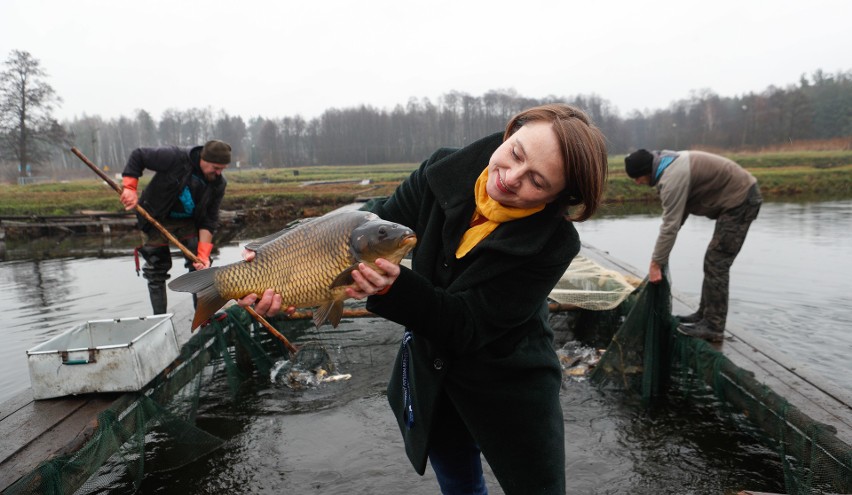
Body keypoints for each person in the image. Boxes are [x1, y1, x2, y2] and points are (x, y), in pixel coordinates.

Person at [239, 104, 609, 494]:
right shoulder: (443, 171)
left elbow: (467, 324)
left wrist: (391, 287)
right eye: (516, 154)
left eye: (536, 180)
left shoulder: (554, 242)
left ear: (558, 197)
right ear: (510, 133)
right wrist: (280, 261)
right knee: (460, 484)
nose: (511, 177)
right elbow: (374, 219)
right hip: (433, 371)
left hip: (509, 379)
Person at [624, 148, 762, 342]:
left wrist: (656, 263)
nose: (637, 183)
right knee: (713, 260)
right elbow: (677, 219)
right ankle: (704, 315)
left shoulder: (672, 178)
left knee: (717, 262)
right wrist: (661, 256)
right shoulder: (668, 166)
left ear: (647, 171)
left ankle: (713, 326)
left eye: (637, 178)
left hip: (741, 199)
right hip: (736, 198)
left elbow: (670, 225)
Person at [119, 140, 231, 315]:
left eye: (222, 169)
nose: (218, 173)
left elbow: (209, 220)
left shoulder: (218, 184)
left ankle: (204, 316)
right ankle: (160, 319)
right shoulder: (175, 157)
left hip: (189, 222)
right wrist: (129, 189)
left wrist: (203, 255)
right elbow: (138, 155)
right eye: (216, 168)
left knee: (200, 266)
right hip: (155, 216)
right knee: (157, 268)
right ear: (203, 159)